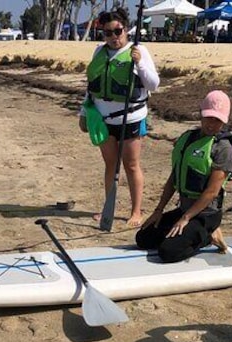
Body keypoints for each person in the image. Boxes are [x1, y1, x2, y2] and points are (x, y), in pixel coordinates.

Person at [79, 7, 160, 227]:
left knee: (131, 165)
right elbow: (91, 86)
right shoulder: (99, 51)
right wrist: (84, 112)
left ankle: (136, 211)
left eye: (118, 31)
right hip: (104, 121)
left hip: (130, 119)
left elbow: (154, 84)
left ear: (126, 29)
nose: (114, 37)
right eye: (108, 33)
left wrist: (140, 63)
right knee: (110, 165)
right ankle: (109, 207)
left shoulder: (139, 50)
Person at [135, 90, 232, 263]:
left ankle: (209, 234)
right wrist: (158, 211)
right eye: (208, 118)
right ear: (201, 115)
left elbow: (212, 192)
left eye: (217, 120)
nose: (212, 124)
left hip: (206, 215)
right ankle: (186, 233)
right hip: (185, 209)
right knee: (143, 238)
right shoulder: (187, 138)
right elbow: (174, 178)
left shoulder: (224, 148)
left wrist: (185, 219)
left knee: (168, 252)